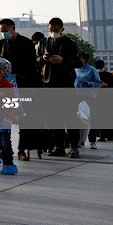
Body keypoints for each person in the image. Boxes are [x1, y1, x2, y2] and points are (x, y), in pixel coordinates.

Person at [36, 17, 82, 158]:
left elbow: (78, 62)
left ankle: (74, 147)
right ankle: (59, 146)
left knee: (70, 116)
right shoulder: (43, 43)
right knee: (54, 116)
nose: (53, 33)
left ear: (62, 29)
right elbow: (36, 60)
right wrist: (43, 59)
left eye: (56, 30)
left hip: (66, 84)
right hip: (49, 84)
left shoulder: (70, 44)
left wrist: (63, 60)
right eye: (50, 30)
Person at [0, 19, 39, 160]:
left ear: (13, 28)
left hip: (24, 83)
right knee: (5, 116)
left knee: (24, 118)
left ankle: (22, 149)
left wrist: (33, 86)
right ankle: (4, 148)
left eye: (5, 31)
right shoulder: (2, 44)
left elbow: (33, 66)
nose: (4, 34)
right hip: (7, 84)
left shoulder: (26, 43)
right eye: (1, 32)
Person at [74, 52, 101, 149]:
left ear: (86, 59)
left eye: (81, 58)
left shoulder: (92, 70)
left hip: (89, 96)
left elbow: (98, 83)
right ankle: (77, 140)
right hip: (76, 95)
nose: (79, 60)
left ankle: (92, 141)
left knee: (92, 118)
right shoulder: (75, 70)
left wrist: (88, 83)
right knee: (75, 117)